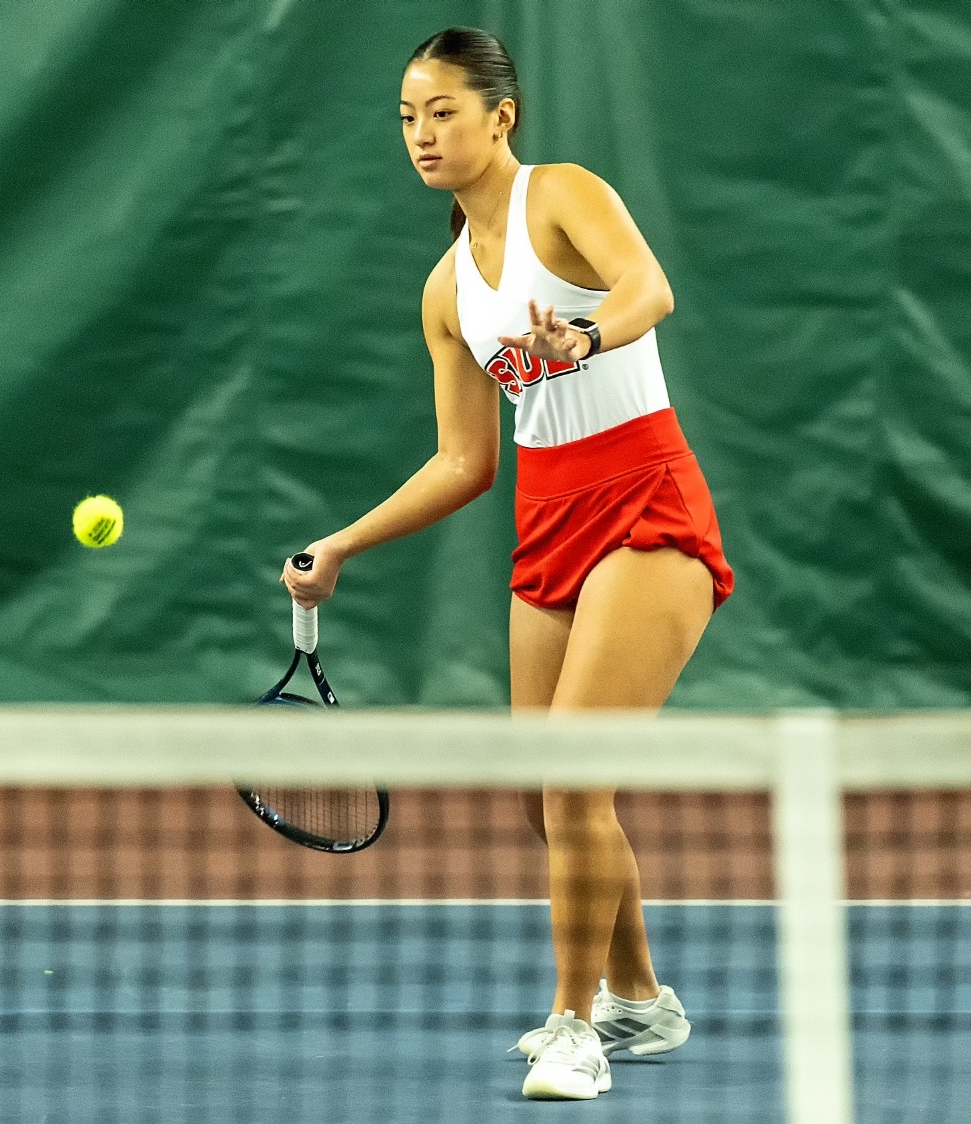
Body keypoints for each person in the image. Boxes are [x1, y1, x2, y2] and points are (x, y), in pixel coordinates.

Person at [279, 26, 734, 1101]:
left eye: (442, 111)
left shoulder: (563, 194)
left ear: (500, 117)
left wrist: (577, 339)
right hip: (547, 518)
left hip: (645, 499)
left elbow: (649, 288)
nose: (421, 134)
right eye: (406, 116)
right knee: (545, 798)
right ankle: (640, 998)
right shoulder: (447, 294)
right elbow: (462, 460)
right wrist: (342, 540)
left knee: (575, 775)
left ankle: (573, 1021)